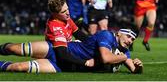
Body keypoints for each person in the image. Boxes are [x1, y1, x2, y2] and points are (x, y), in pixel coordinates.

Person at [0, 0, 94, 73]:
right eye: (63, 12)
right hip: (52, 51)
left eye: (67, 9)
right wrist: (85, 62)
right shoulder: (55, 26)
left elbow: (79, 34)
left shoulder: (67, 19)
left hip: (58, 63)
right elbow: (62, 54)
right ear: (54, 14)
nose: (68, 13)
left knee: (18, 67)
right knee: (13, 48)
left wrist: (92, 43)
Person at [1, 28, 143, 74]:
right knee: (15, 49)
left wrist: (138, 67)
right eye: (129, 37)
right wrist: (124, 58)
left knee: (18, 67)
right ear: (119, 33)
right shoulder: (106, 35)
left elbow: (133, 68)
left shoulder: (123, 51)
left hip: (62, 66)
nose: (130, 41)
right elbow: (106, 58)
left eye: (133, 40)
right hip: (58, 49)